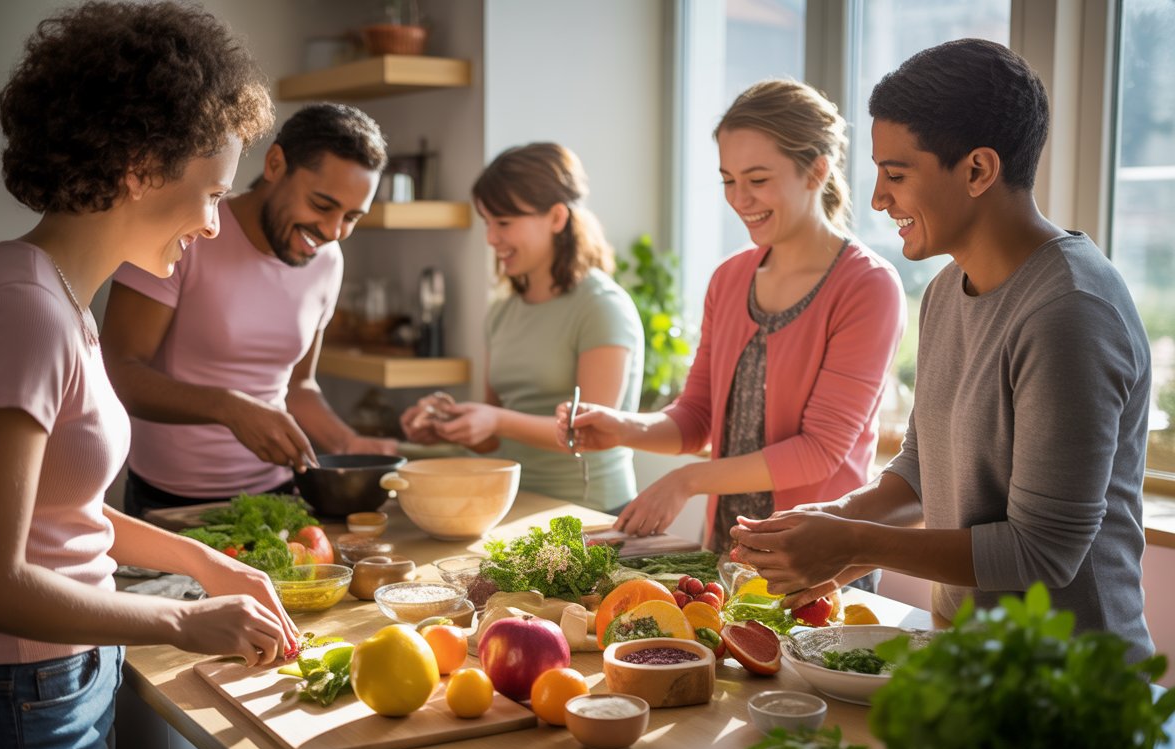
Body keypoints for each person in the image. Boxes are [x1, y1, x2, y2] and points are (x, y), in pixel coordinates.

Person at [0, 4, 301, 749]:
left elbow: (59, 514)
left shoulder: (59, 298)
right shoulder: (24, 312)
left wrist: (205, 563)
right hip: (18, 695)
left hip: (58, 678)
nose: (215, 224)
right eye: (211, 193)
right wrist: (184, 618)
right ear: (143, 167)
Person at [730, 40, 1154, 662]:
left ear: (979, 170)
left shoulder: (1069, 311)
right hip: (968, 666)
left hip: (1075, 693)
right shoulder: (944, 292)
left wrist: (853, 542)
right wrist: (833, 523)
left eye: (896, 175)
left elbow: (1043, 552)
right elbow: (925, 468)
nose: (877, 199)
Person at [559, 80, 906, 558]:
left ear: (816, 171)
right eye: (728, 180)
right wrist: (623, 427)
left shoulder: (867, 286)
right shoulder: (729, 278)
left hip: (818, 562)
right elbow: (697, 418)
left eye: (758, 179)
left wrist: (688, 480)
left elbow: (820, 449)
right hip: (728, 554)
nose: (740, 198)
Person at [102, 103, 397, 519]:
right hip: (172, 503)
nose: (333, 232)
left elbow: (299, 387)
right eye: (322, 204)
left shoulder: (329, 260)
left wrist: (348, 443)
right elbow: (120, 372)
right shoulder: (189, 232)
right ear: (276, 164)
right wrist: (229, 407)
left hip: (278, 495)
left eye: (351, 217)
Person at [399, 143, 644, 513]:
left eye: (504, 223)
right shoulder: (502, 311)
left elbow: (592, 431)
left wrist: (494, 419)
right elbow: (497, 438)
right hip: (514, 505)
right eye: (488, 223)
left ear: (557, 218)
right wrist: (451, 427)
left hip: (592, 513)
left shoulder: (602, 306)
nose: (491, 239)